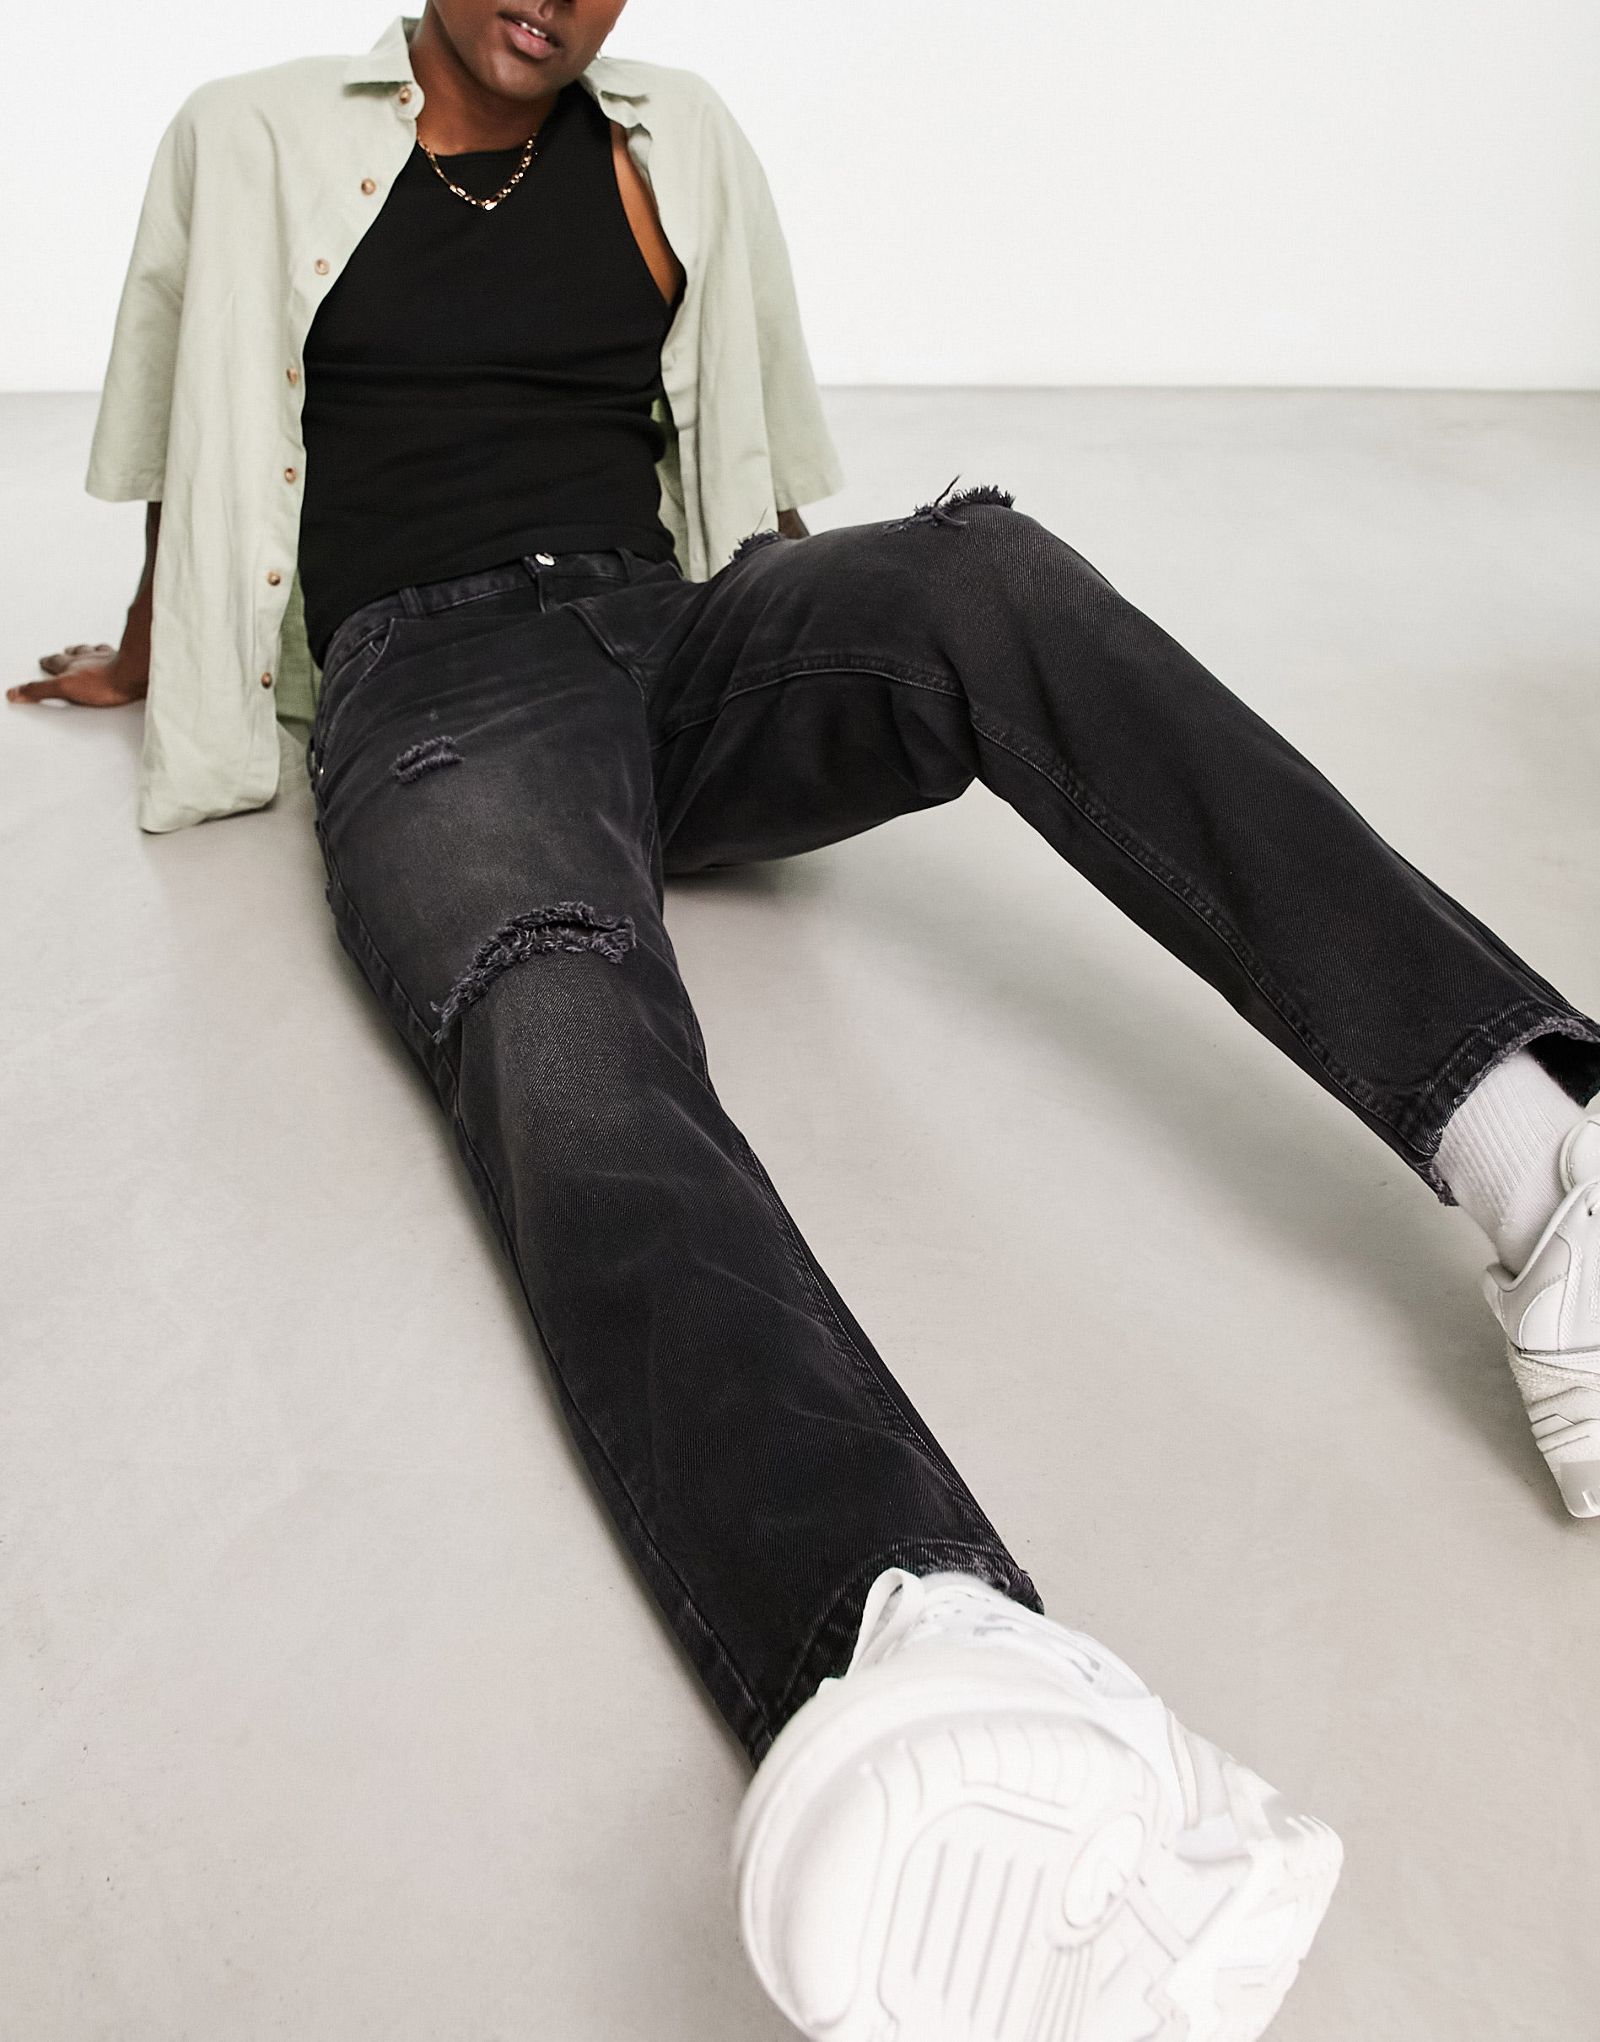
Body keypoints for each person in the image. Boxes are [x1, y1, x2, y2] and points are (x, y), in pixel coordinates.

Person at [14, 5, 1600, 2037]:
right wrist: (152, 651)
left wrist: (847, 634)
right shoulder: (244, 135)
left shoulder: (677, 137)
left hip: (670, 629)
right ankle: (911, 1640)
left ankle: (1542, 1152)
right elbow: (191, 432)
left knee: (982, 569)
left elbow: (750, 461)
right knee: (555, 1004)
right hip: (435, 681)